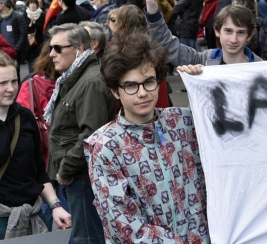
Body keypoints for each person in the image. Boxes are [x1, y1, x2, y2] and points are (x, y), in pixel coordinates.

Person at [84, 36, 209, 243]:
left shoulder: (184, 121)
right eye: (131, 86)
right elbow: (123, 225)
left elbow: (234, 127)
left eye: (149, 82)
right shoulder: (106, 146)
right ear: (115, 91)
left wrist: (203, 85)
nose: (143, 93)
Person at [0, 52, 71, 242]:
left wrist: (55, 205)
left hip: (34, 218)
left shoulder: (25, 116)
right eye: (2, 83)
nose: (11, 88)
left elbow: (37, 170)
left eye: (14, 81)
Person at [45, 24, 116, 244]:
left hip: (81, 179)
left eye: (58, 48)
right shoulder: (75, 76)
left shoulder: (90, 82)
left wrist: (65, 170)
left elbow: (90, 137)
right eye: (50, 48)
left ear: (79, 48)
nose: (51, 54)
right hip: (75, 176)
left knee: (86, 239)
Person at [146, 0, 263, 66]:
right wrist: (151, 4)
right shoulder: (204, 61)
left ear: (250, 35)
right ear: (217, 30)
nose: (234, 39)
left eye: (241, 32)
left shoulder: (262, 68)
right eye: (228, 31)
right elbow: (168, 46)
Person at [0, 0, 28, 75]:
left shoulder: (18, 17)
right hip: (2, 51)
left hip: (15, 52)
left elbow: (23, 34)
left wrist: (16, 50)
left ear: (3, 4)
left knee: (15, 74)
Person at [25, 0, 45, 73]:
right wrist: (30, 25)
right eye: (31, 3)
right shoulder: (25, 14)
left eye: (34, 3)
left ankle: (39, 75)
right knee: (31, 60)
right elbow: (24, 28)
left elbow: (43, 27)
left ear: (37, 5)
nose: (32, 5)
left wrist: (34, 22)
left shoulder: (42, 14)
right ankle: (31, 76)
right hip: (29, 41)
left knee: (39, 59)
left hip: (39, 41)